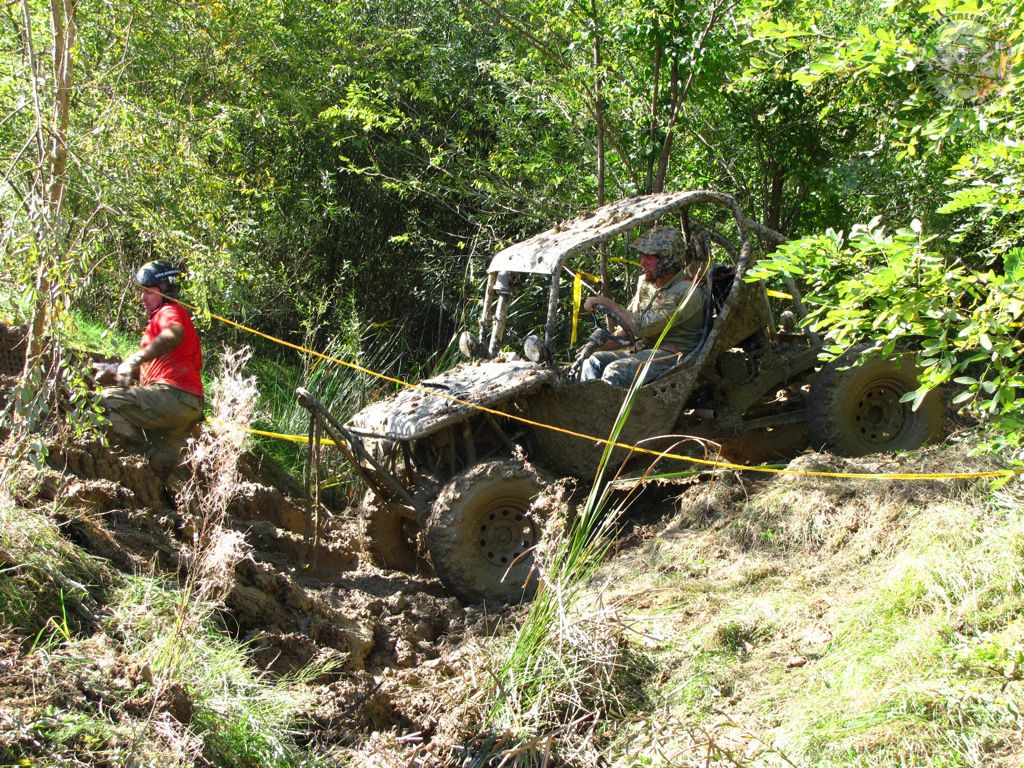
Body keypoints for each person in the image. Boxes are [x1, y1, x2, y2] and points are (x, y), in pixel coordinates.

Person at [96, 260, 204, 475]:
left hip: (172, 397)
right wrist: (116, 369)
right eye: (141, 292)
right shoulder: (160, 326)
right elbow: (157, 364)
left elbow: (174, 333)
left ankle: (146, 455)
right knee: (168, 470)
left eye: (148, 292)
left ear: (165, 291)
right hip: (188, 406)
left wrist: (134, 359)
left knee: (106, 401)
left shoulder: (169, 312)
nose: (142, 298)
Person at [578, 226, 706, 387]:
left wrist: (605, 303)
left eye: (649, 257)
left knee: (616, 370)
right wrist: (593, 348)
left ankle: (606, 411)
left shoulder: (686, 292)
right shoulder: (648, 284)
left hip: (674, 355)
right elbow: (627, 331)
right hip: (646, 351)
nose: (642, 262)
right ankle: (586, 408)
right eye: (642, 256)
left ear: (667, 259)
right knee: (593, 361)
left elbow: (641, 326)